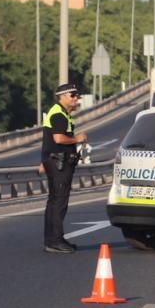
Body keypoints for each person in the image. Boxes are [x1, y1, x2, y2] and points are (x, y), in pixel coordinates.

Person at [41, 83, 88, 253]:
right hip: (58, 163)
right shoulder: (59, 114)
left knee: (55, 201)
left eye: (77, 95)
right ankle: (55, 241)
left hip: (56, 162)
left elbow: (48, 140)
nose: (76, 98)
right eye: (73, 95)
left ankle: (53, 239)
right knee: (59, 202)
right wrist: (78, 139)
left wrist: (43, 161)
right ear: (62, 96)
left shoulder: (62, 114)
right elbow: (59, 139)